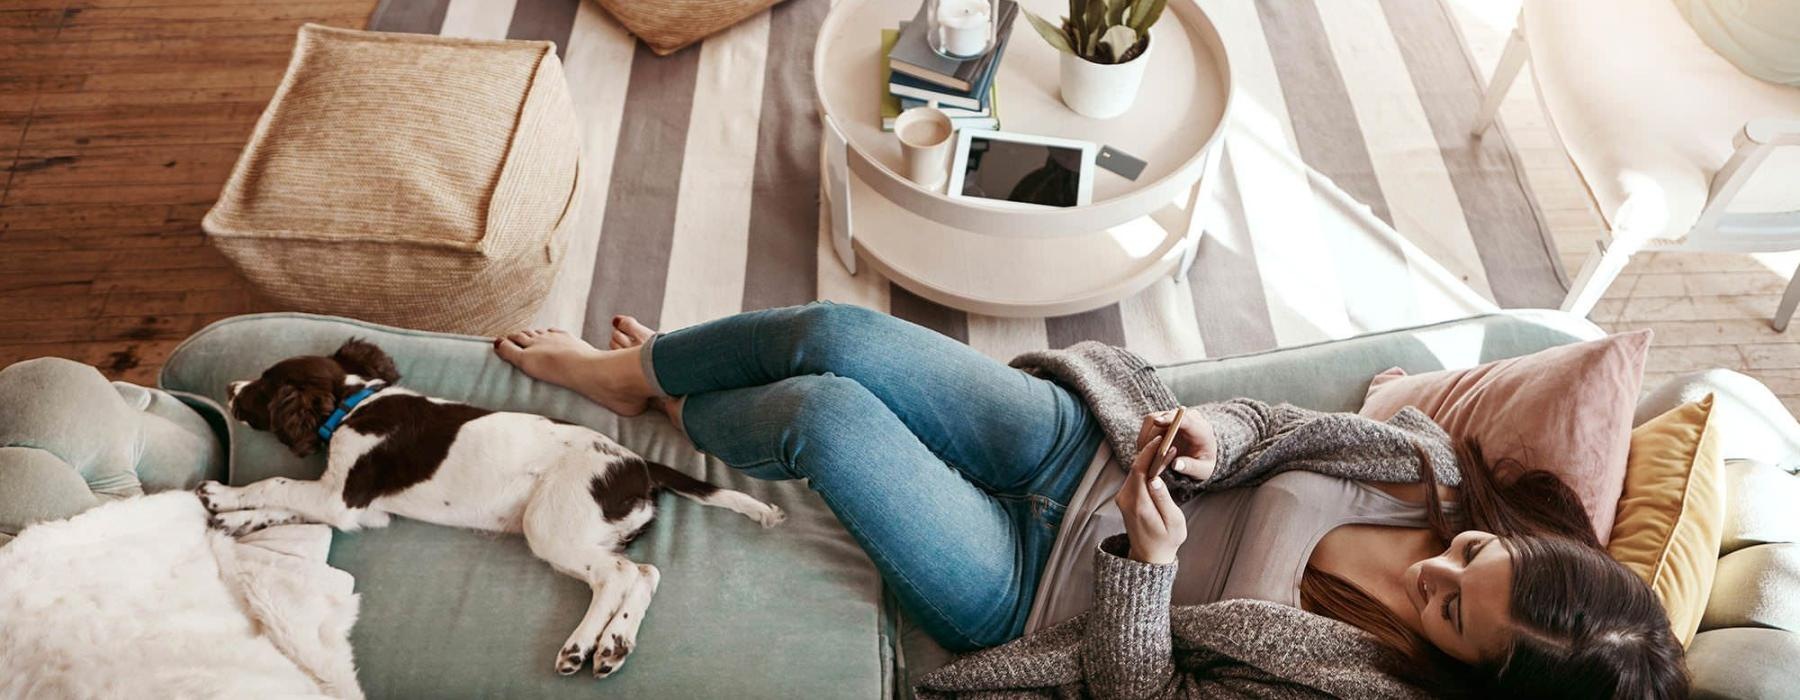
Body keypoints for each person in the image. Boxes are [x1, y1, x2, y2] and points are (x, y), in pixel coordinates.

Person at [493, 302, 1686, 698]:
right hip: (1080, 446)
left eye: (1450, 610)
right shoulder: (1430, 471)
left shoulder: (1355, 692)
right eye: (1471, 555)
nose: (1437, 567)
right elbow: (1281, 428)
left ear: (1473, 679)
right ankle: (629, 373)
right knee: (834, 333)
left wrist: (1149, 573)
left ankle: (676, 406)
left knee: (823, 414)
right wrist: (1219, 435)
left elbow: (1146, 695)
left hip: (1029, 590)